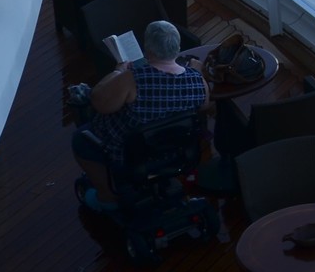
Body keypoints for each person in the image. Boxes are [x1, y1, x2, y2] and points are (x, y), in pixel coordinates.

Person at [71, 20, 211, 212]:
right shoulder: (196, 80)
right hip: (174, 151)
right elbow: (204, 104)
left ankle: (107, 197)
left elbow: (98, 101)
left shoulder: (133, 78)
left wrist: (118, 70)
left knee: (80, 138)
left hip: (129, 154)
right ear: (177, 48)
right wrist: (197, 71)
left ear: (147, 50)